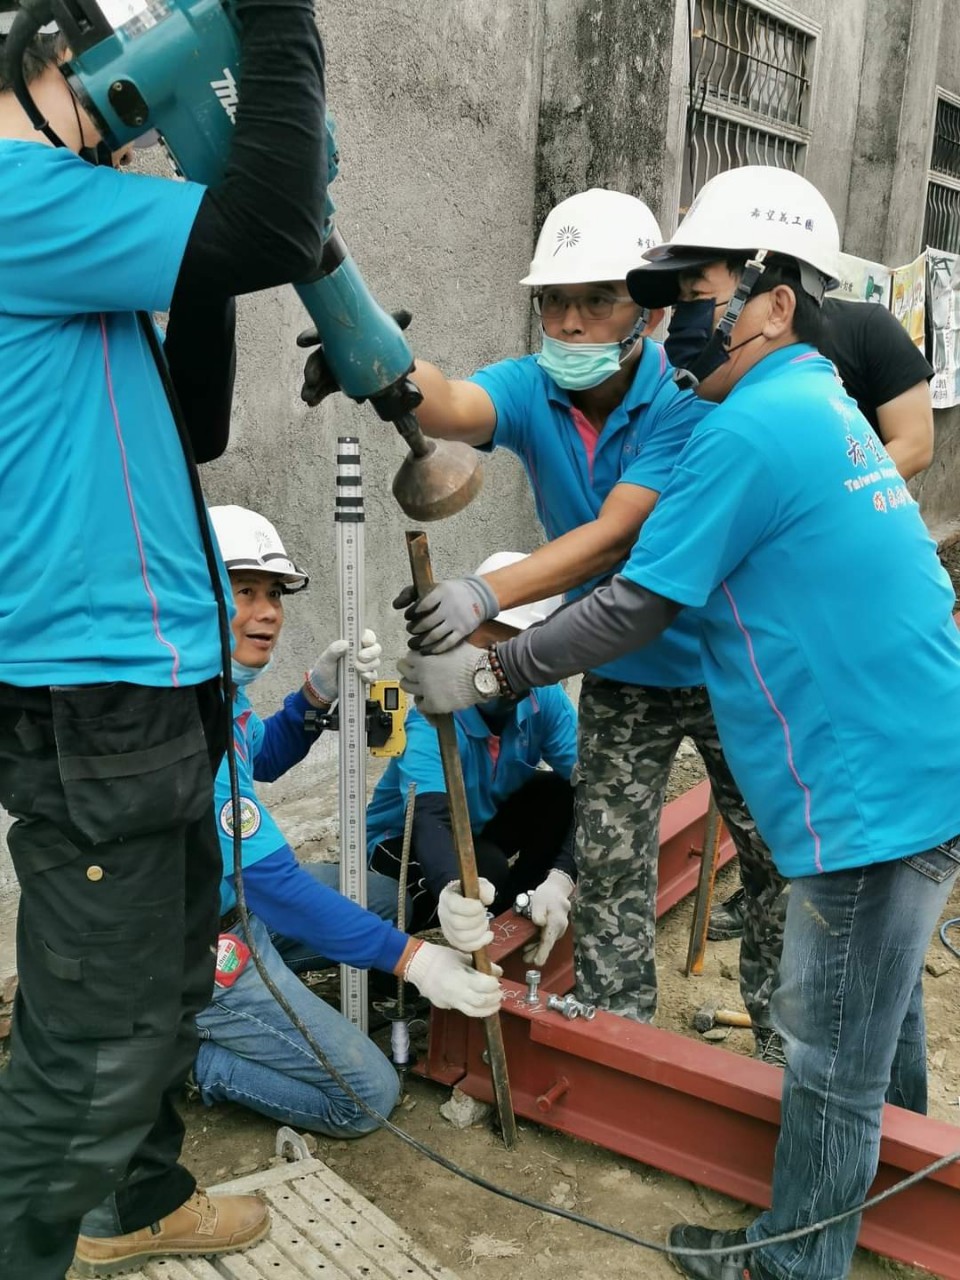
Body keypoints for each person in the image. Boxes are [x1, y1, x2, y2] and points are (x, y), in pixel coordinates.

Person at [398, 166, 960, 1280]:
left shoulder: (746, 429)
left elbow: (634, 600)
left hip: (868, 784)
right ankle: (897, 1191)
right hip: (914, 754)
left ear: (776, 301)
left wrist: (494, 664)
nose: (678, 319)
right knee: (880, 1015)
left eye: (695, 292)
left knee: (827, 1048)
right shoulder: (810, 401)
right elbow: (458, 406)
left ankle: (789, 1263)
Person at [0, 3, 332, 1276]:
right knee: (92, 1042)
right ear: (46, 50)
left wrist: (205, 208)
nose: (123, 106)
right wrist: (281, 21)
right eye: (99, 67)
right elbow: (274, 225)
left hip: (151, 673)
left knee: (170, 968)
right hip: (94, 692)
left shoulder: (65, 221)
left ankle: (134, 1200)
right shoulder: (17, 197)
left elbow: (194, 418)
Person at [305, 188, 784, 1052]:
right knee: (609, 857)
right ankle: (616, 1041)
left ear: (648, 310)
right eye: (554, 302)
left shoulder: (690, 401)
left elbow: (616, 538)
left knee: (768, 858)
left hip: (724, 665)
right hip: (621, 670)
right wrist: (377, 362)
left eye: (596, 301)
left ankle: (784, 1046)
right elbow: (451, 401)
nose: (568, 322)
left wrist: (485, 596)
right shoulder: (534, 392)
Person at [366, 553, 577, 966]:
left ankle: (520, 909)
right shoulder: (434, 714)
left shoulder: (544, 699)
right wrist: (451, 887)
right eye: (488, 647)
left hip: (480, 825)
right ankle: (460, 927)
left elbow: (592, 789)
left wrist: (562, 877)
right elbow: (429, 817)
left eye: (517, 651)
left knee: (558, 794)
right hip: (400, 844)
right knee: (482, 870)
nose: (502, 666)